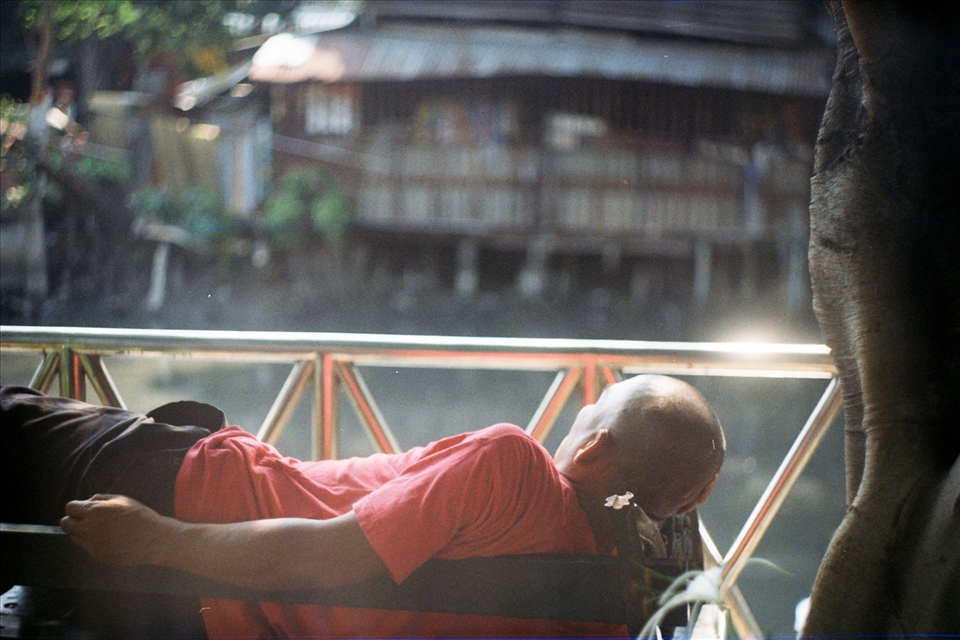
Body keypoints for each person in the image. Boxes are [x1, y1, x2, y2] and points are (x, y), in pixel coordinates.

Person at [1, 374, 725, 638]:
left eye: (592, 405)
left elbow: (320, 556)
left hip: (189, 502)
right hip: (208, 622)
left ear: (591, 451)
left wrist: (155, 539)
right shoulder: (608, 616)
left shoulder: (514, 469)